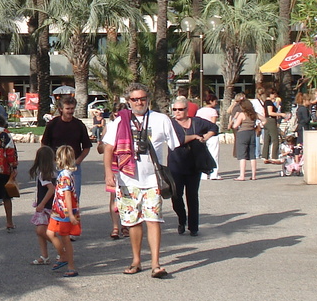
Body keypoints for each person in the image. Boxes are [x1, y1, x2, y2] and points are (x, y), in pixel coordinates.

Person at [103, 82, 179, 278]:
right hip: (127, 179)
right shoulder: (120, 121)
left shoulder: (161, 119)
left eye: (142, 98)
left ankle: (156, 263)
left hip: (153, 179)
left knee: (154, 220)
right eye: (134, 99)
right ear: (128, 101)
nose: (139, 102)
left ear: (148, 100)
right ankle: (136, 260)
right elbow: (108, 148)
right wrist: (108, 174)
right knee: (132, 222)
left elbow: (174, 146)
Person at [167, 95, 218, 236]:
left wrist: (205, 137)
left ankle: (193, 226)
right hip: (176, 164)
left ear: (187, 109)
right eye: (175, 109)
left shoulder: (197, 122)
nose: (177, 112)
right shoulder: (170, 124)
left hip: (194, 164)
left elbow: (214, 127)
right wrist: (195, 137)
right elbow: (178, 140)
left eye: (181, 109)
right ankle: (181, 219)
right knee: (176, 196)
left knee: (193, 196)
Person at [39, 95, 93, 199]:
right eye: (67, 108)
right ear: (61, 109)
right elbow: (44, 144)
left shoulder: (79, 125)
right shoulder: (52, 124)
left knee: (73, 196)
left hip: (74, 167)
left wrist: (78, 161)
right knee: (56, 197)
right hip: (55, 165)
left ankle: (73, 215)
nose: (70, 111)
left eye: (72, 108)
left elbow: (86, 147)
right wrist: (48, 161)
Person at [46, 145, 81, 278]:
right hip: (57, 211)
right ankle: (63, 255)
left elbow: (67, 195)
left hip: (65, 212)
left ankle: (71, 265)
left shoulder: (66, 176)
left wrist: (71, 214)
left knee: (65, 237)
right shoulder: (62, 174)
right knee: (50, 233)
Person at [29, 145, 57, 264]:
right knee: (40, 231)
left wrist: (41, 204)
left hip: (45, 207)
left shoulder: (43, 175)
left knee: (42, 231)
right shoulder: (51, 173)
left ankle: (61, 248)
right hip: (47, 206)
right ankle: (44, 255)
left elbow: (51, 189)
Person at [230, 95, 261, 180]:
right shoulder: (254, 114)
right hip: (252, 133)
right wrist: (257, 125)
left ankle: (242, 175)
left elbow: (235, 126)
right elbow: (264, 120)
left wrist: (233, 121)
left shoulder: (242, 114)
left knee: (242, 155)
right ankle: (254, 175)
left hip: (243, 133)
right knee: (252, 155)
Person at [261, 89, 283, 164]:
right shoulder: (269, 102)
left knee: (267, 139)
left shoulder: (266, 102)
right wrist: (281, 114)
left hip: (266, 120)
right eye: (274, 94)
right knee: (275, 139)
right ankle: (274, 156)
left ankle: (265, 156)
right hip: (271, 120)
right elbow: (270, 113)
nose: (275, 96)